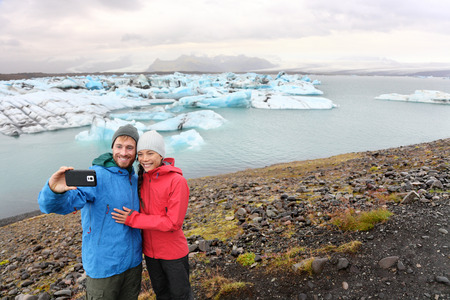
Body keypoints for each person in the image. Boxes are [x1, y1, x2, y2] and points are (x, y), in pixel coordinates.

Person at [38, 124, 143, 300]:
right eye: (119, 146)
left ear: (136, 151)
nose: (123, 152)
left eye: (129, 147)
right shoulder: (96, 175)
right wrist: (54, 191)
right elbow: (63, 204)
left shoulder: (134, 178)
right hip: (104, 267)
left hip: (133, 264)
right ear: (112, 147)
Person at [111, 130, 193, 300]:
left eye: (150, 153)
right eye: (140, 154)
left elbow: (173, 223)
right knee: (161, 294)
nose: (144, 159)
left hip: (173, 254)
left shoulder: (177, 181)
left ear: (161, 155)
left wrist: (133, 219)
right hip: (151, 254)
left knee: (181, 296)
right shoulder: (142, 179)